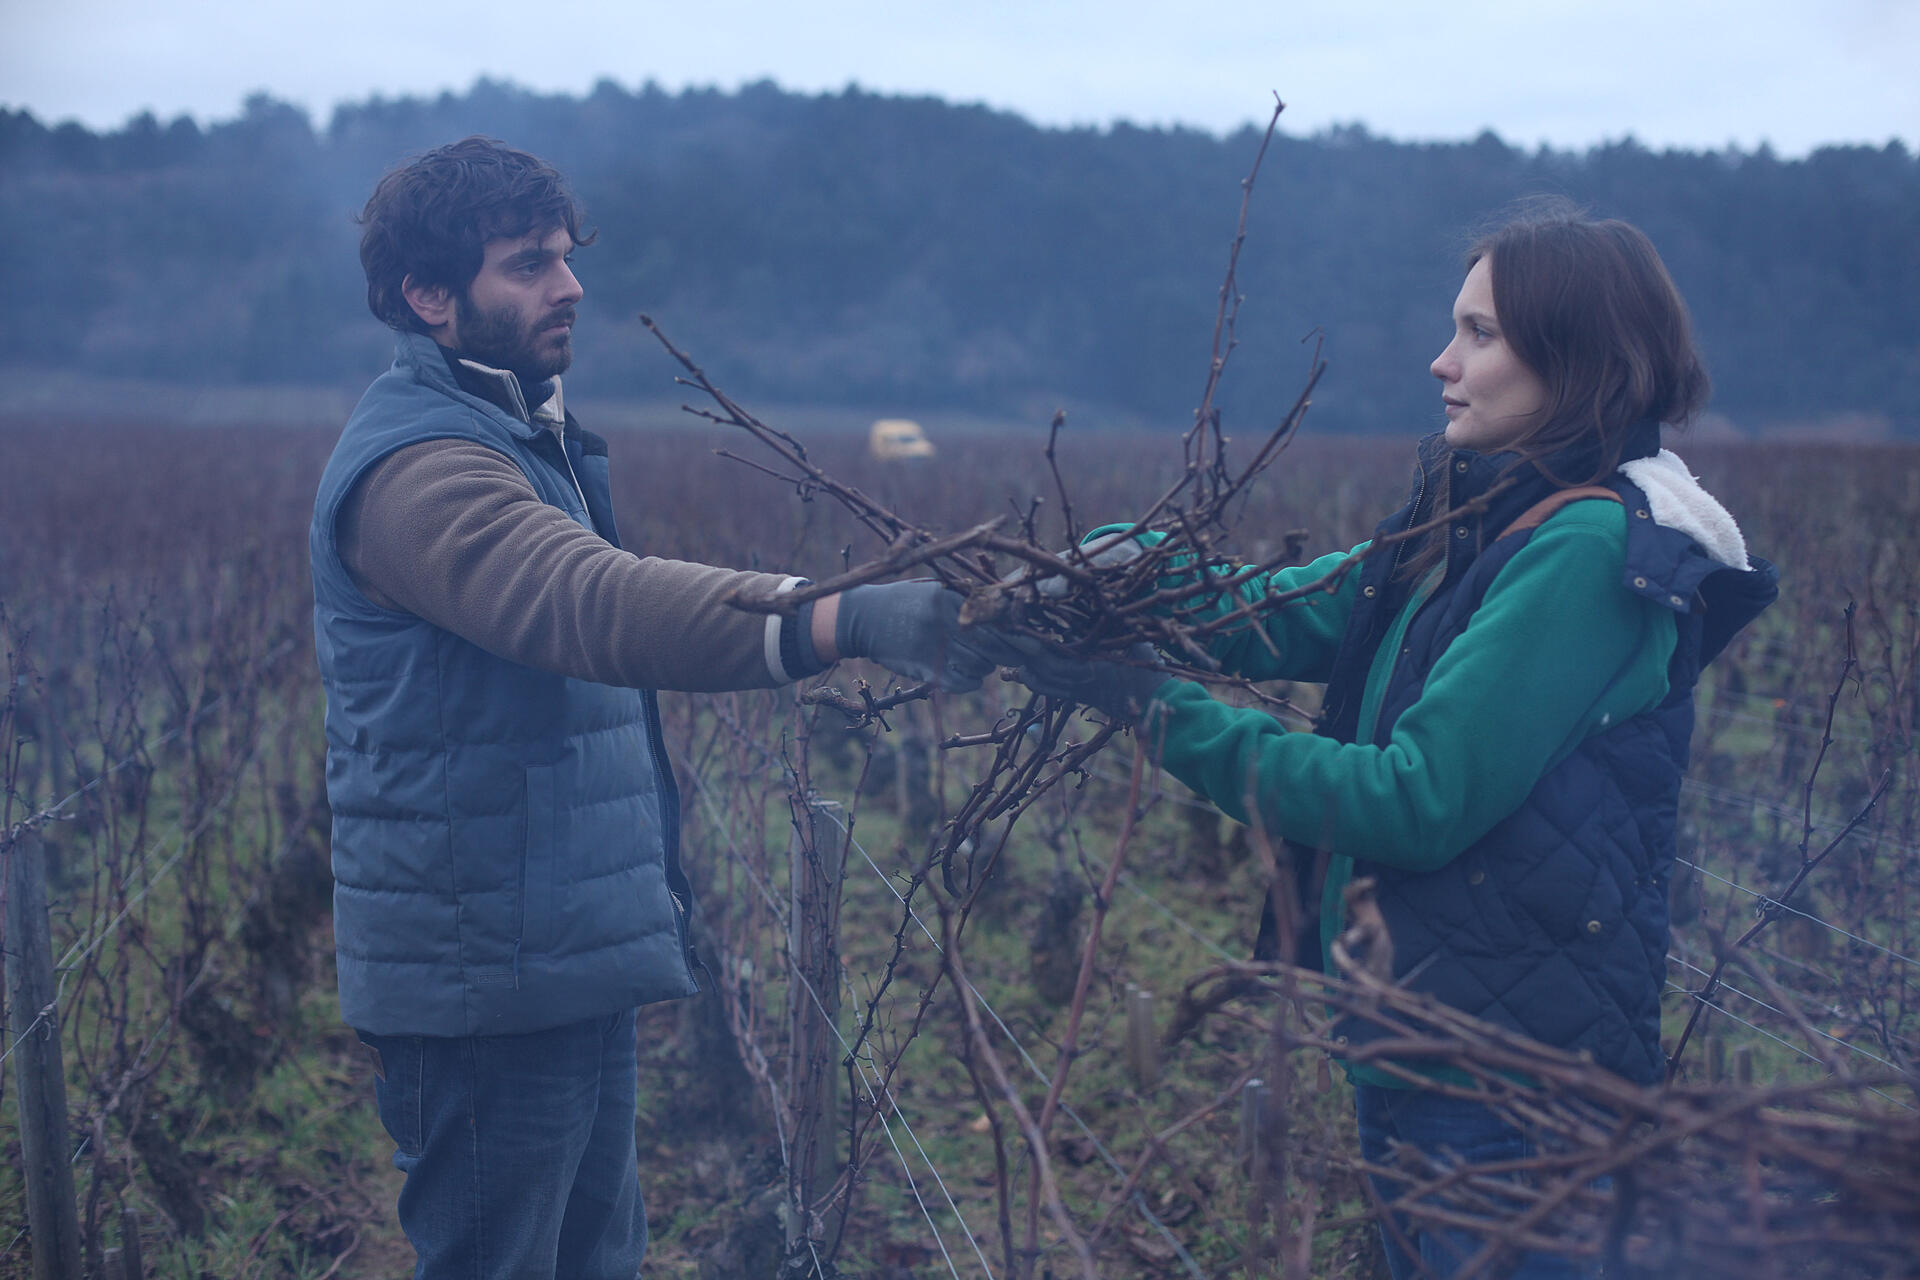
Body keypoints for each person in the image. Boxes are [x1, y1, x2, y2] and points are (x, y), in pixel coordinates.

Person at [1010, 202, 1778, 1277]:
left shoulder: (1588, 550)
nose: (1441, 360)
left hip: (1509, 1089)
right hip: (1433, 1040)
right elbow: (1290, 608)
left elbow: (1411, 801)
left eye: (1480, 333)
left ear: (1582, 360)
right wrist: (1109, 568)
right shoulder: (1487, 516)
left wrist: (1148, 701)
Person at [309, 136, 998, 1279]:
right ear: (428, 296)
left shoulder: (521, 435)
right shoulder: (420, 470)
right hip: (487, 983)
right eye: (527, 264)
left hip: (558, 954)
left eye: (567, 258)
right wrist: (836, 615)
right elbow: (588, 599)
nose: (569, 285)